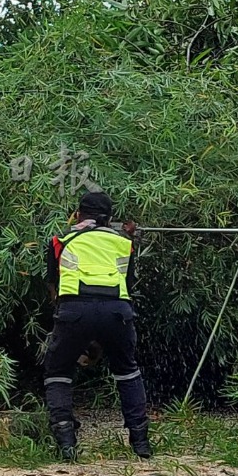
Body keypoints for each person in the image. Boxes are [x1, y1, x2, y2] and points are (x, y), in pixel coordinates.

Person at [43, 191, 151, 461]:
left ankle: (66, 443)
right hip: (117, 311)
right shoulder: (123, 243)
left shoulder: (61, 241)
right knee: (127, 370)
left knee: (58, 370)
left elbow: (53, 288)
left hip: (73, 310)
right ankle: (140, 443)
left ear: (78, 215)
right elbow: (129, 282)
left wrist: (72, 328)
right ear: (110, 217)